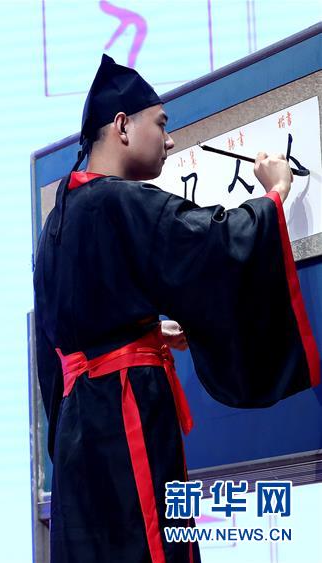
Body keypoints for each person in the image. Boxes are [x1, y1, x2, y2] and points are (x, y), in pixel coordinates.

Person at [34, 54, 320, 563]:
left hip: (79, 430)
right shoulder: (118, 200)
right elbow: (212, 244)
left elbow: (67, 343)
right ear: (122, 126)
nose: (169, 141)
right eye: (161, 124)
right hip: (125, 414)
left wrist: (142, 333)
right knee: (149, 544)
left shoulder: (56, 223)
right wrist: (274, 196)